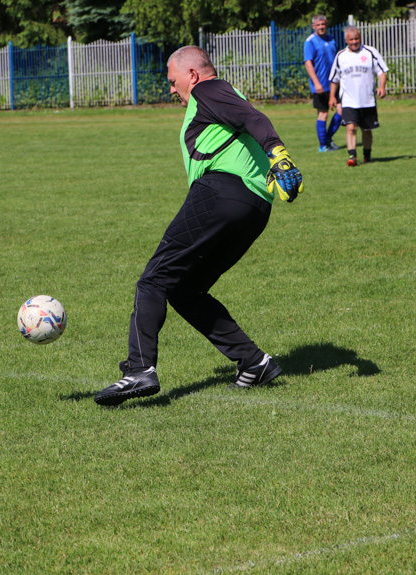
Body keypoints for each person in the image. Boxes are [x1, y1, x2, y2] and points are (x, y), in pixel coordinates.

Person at [94, 46, 303, 407]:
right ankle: (254, 363)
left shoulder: (208, 90)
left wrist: (279, 154)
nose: (172, 90)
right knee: (184, 289)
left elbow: (254, 118)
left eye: (173, 82)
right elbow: (247, 118)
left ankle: (140, 369)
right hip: (254, 208)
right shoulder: (215, 97)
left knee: (154, 278)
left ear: (192, 74)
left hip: (221, 193)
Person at [328, 26, 388, 167]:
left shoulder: (370, 52)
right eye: (351, 39)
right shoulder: (341, 56)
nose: (354, 42)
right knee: (350, 128)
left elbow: (382, 71)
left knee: (366, 130)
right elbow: (334, 79)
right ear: (346, 40)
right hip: (348, 100)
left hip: (367, 100)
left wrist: (382, 86)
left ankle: (367, 156)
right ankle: (352, 156)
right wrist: (332, 97)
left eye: (357, 39)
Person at [304, 14, 343, 152]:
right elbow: (308, 63)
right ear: (313, 26)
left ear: (326, 24)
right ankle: (323, 146)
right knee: (323, 114)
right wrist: (316, 83)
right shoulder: (310, 42)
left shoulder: (331, 39)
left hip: (334, 83)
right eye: (318, 25)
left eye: (323, 24)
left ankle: (327, 139)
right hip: (320, 85)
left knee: (341, 111)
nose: (321, 27)